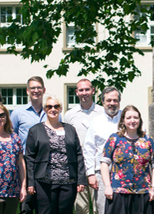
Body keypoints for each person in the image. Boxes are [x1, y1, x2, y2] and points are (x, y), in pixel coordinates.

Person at [26, 95, 88, 214]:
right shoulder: (35, 130)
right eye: (49, 106)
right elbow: (29, 158)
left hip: (68, 182)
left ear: (60, 109)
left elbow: (79, 155)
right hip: (44, 182)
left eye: (56, 106)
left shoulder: (70, 129)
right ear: (44, 109)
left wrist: (81, 180)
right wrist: (30, 182)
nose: (52, 109)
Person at [100, 105, 154, 214]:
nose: (132, 121)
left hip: (143, 193)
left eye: (135, 117)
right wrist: (107, 187)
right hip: (118, 192)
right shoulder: (114, 139)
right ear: (123, 120)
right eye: (128, 118)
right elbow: (104, 163)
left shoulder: (148, 140)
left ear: (140, 120)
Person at [64, 79, 104, 214]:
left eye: (87, 89)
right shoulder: (70, 115)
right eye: (81, 90)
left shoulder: (102, 112)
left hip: (98, 166)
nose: (84, 93)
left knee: (100, 207)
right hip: (78, 167)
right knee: (81, 209)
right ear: (76, 92)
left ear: (93, 91)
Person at [10, 76, 49, 214]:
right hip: (26, 162)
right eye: (33, 88)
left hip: (47, 162)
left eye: (39, 87)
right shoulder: (18, 113)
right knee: (26, 204)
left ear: (44, 90)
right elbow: (12, 136)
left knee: (44, 204)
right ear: (27, 91)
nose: (36, 90)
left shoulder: (51, 111)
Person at [83, 86, 122, 213]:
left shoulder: (127, 119)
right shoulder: (96, 122)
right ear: (102, 102)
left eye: (115, 100)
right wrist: (90, 173)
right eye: (109, 100)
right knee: (103, 209)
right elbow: (89, 149)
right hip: (101, 174)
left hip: (125, 172)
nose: (112, 103)